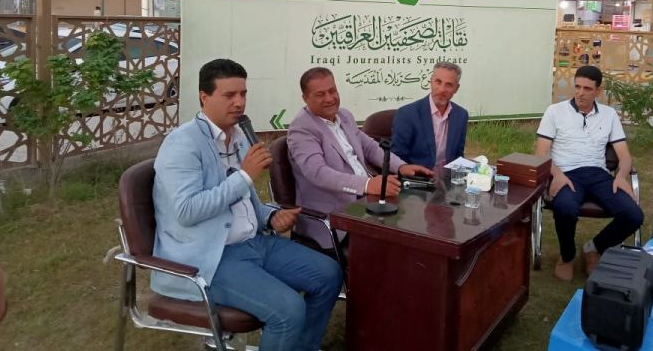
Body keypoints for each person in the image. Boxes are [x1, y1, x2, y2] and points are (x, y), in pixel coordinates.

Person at [152, 59, 342, 351]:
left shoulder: (238, 135)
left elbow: (242, 203)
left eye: (243, 94)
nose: (239, 102)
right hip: (210, 258)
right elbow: (187, 211)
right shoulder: (182, 144)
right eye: (229, 95)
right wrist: (244, 176)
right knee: (288, 310)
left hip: (255, 243)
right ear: (204, 96)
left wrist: (271, 217)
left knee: (329, 274)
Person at [287, 67, 433, 248]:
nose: (330, 98)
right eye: (320, 94)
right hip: (335, 215)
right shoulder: (302, 129)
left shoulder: (344, 115)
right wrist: (366, 185)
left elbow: (369, 147)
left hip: (367, 200)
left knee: (421, 218)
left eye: (333, 91)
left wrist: (401, 166)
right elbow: (318, 173)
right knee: (401, 239)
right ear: (305, 98)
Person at [535, 65, 643, 282]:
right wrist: (557, 174)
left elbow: (624, 155)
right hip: (567, 173)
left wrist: (621, 176)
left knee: (633, 215)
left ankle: (594, 248)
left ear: (598, 91)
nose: (580, 93)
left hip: (598, 174)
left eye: (587, 88)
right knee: (565, 208)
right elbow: (541, 153)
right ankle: (567, 256)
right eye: (577, 87)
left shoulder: (609, 115)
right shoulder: (555, 111)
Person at [391, 61, 468, 169]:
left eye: (449, 85)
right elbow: (397, 159)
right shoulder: (407, 114)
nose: (442, 89)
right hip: (417, 176)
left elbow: (458, 156)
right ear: (431, 81)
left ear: (456, 88)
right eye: (438, 82)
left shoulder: (461, 115)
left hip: (448, 176)